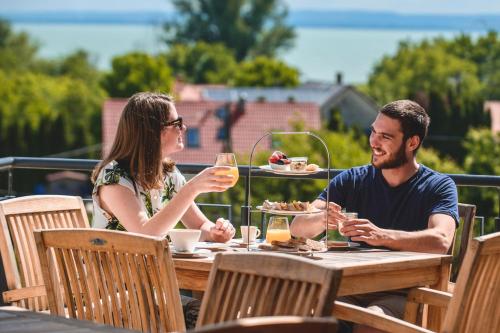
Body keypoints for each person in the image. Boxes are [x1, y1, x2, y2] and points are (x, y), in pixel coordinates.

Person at [290, 99, 458, 333]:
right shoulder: (352, 180)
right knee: (299, 316)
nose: (374, 142)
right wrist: (321, 219)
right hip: (349, 290)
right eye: (373, 132)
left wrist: (382, 236)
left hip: (406, 295)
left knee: (370, 324)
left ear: (412, 142)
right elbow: (296, 228)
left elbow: (441, 241)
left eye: (385, 137)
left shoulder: (438, 186)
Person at [91, 92, 236, 328]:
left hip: (152, 287)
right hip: (115, 296)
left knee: (223, 311)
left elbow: (199, 225)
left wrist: (216, 230)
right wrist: (191, 189)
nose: (184, 127)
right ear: (153, 131)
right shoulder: (114, 179)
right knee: (212, 316)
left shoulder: (167, 173)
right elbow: (146, 236)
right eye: (176, 123)